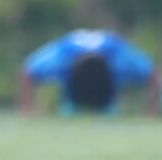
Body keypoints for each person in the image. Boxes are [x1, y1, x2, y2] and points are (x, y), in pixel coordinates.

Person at [19, 29, 159, 116]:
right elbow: (27, 71)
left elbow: (152, 73)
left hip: (105, 102)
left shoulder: (117, 52)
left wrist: (151, 110)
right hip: (74, 101)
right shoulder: (65, 52)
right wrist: (28, 110)